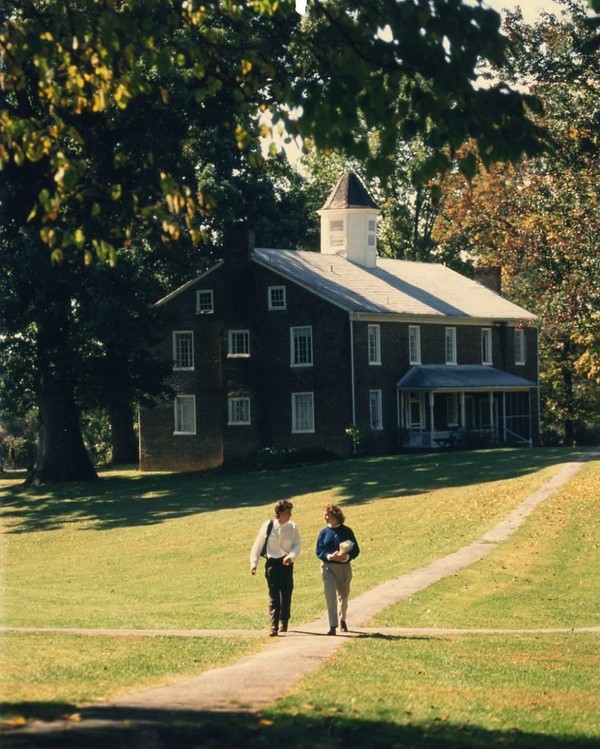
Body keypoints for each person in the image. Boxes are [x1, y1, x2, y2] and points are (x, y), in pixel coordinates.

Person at [250, 500, 301, 636]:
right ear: (279, 513)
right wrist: (254, 563)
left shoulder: (293, 527)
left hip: (286, 564)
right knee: (274, 595)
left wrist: (291, 556)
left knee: (286, 593)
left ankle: (284, 620)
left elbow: (297, 545)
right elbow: (258, 544)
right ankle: (274, 625)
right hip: (272, 564)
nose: (289, 515)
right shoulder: (268, 525)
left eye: (290, 512)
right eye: (287, 512)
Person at [315, 503, 360, 635]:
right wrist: (329, 556)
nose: (325, 518)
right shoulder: (323, 533)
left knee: (343, 596)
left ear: (335, 516)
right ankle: (332, 626)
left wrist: (345, 557)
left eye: (327, 515)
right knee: (330, 596)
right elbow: (319, 550)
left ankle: (343, 619)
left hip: (344, 568)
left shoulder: (347, 531)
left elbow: (356, 550)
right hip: (327, 567)